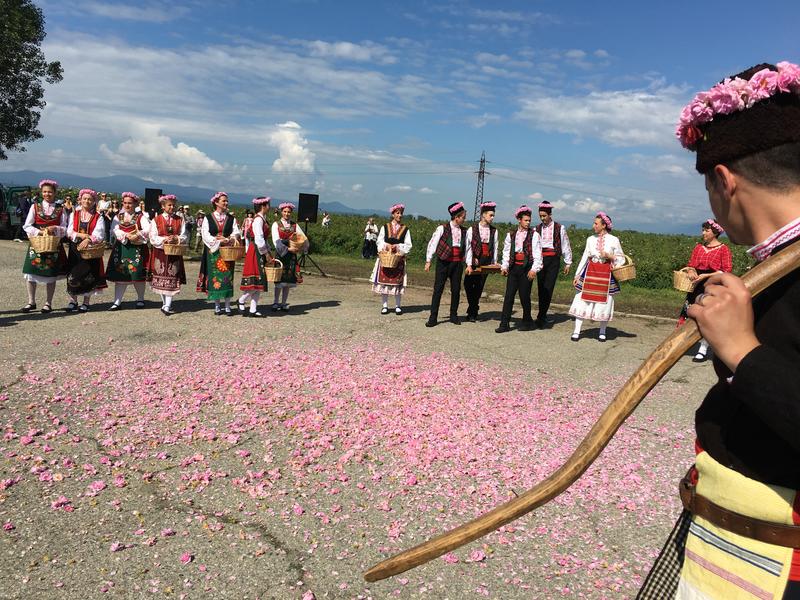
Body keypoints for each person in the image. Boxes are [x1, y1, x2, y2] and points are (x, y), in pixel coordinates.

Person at [637, 61, 800, 600]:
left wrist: (742, 351)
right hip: (732, 546)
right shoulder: (773, 267)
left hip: (781, 568)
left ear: (724, 181)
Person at [676, 219, 733, 362]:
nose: (703, 233)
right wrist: (691, 271)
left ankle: (703, 348)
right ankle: (683, 342)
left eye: (706, 231)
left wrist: (706, 275)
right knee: (690, 311)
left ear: (715, 233)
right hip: (696, 285)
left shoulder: (723, 249)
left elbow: (726, 270)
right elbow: (691, 265)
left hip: (712, 285)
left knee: (707, 316)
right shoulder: (699, 247)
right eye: (703, 230)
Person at [568, 212, 624, 341]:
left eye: (596, 223)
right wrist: (577, 274)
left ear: (604, 225)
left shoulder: (614, 240)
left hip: (606, 273)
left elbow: (621, 258)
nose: (593, 226)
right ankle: (577, 331)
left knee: (605, 302)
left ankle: (602, 332)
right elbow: (584, 257)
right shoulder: (590, 239)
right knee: (581, 300)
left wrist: (609, 256)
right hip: (590, 272)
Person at [21, 179, 68, 313]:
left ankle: (48, 303)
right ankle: (31, 302)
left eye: (50, 192)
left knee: (50, 274)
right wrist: (39, 232)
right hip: (37, 243)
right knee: (31, 273)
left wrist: (55, 228)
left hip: (52, 244)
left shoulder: (60, 209)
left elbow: (65, 228)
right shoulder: (35, 207)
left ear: (55, 193)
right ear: (41, 192)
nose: (47, 194)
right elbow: (27, 225)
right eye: (45, 192)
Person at [496, 205, 543, 333]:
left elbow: (538, 254)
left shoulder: (534, 235)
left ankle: (527, 321)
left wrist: (534, 269)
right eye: (525, 220)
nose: (528, 223)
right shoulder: (511, 235)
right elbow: (507, 252)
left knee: (524, 296)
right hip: (514, 268)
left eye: (529, 220)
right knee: (509, 296)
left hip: (526, 268)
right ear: (519, 220)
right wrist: (505, 266)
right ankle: (504, 323)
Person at [424, 202, 468, 326]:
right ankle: (433, 317)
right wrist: (428, 260)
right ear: (456, 217)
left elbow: (467, 248)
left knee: (456, 290)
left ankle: (453, 315)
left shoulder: (464, 231)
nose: (464, 220)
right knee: (438, 289)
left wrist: (468, 263)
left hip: (457, 264)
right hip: (443, 263)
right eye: (463, 217)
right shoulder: (442, 228)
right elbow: (433, 243)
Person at [198, 192, 242, 315]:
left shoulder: (231, 218)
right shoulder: (208, 218)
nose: (226, 203)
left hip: (228, 252)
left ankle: (227, 306)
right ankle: (217, 306)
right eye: (224, 201)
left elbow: (236, 232)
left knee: (228, 278)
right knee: (215, 278)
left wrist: (228, 239)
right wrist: (217, 241)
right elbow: (205, 234)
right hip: (214, 252)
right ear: (216, 202)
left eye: (227, 201)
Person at [65, 189, 107, 312]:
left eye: (90, 199)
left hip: (90, 250)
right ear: (80, 200)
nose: (87, 201)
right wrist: (81, 236)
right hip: (75, 249)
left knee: (88, 275)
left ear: (94, 201)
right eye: (85, 199)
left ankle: (86, 302)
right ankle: (73, 301)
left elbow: (99, 234)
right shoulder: (74, 214)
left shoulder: (98, 217)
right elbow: (69, 231)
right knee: (73, 274)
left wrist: (88, 240)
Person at [106, 192, 150, 310]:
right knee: (121, 273)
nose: (127, 205)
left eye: (130, 203)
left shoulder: (140, 216)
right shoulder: (118, 216)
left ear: (135, 204)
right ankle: (117, 302)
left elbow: (148, 229)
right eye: (125, 203)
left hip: (136, 248)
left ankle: (140, 299)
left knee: (137, 274)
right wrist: (125, 235)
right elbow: (113, 229)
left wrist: (137, 235)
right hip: (121, 248)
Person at [534, 200, 572, 328]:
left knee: (548, 287)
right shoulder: (536, 229)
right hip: (541, 259)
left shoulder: (559, 228)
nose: (542, 218)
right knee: (541, 287)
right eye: (540, 216)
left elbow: (565, 244)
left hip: (553, 260)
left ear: (550, 214)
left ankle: (541, 316)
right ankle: (542, 315)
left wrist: (568, 262)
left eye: (544, 216)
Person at [148, 194, 187, 316]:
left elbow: (184, 235)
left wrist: (176, 238)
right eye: (169, 205)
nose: (172, 207)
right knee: (161, 278)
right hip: (160, 252)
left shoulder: (180, 219)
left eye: (173, 205)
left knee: (172, 276)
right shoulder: (156, 220)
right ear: (163, 206)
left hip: (174, 252)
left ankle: (167, 305)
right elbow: (152, 236)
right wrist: (164, 239)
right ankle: (165, 303)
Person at [370, 203, 412, 314]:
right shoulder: (385, 227)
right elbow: (379, 241)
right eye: (397, 213)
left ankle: (398, 306)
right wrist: (386, 245)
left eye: (401, 213)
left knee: (397, 282)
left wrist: (397, 246)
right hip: (386, 258)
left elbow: (408, 244)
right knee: (384, 282)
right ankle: (385, 306)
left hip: (397, 259)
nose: (400, 215)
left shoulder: (405, 229)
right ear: (393, 214)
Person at [464, 201, 500, 322]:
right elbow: (468, 247)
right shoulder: (472, 229)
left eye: (493, 215)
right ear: (483, 215)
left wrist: (494, 262)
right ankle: (473, 307)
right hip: (474, 259)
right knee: (468, 284)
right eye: (491, 215)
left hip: (486, 260)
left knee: (479, 286)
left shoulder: (494, 231)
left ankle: (472, 312)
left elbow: (495, 246)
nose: (492, 217)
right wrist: (469, 262)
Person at [238, 197, 272, 317]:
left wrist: (268, 250)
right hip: (256, 251)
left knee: (259, 283)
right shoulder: (258, 220)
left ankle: (253, 309)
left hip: (259, 250)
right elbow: (259, 238)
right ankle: (241, 300)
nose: (269, 207)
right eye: (268, 205)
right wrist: (266, 253)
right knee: (255, 281)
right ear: (263, 206)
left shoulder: (262, 218)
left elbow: (264, 239)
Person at [271, 202, 308, 311]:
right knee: (279, 280)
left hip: (291, 255)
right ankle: (275, 302)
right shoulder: (276, 224)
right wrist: (288, 248)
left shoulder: (294, 225)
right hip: (281, 254)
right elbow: (276, 241)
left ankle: (283, 303)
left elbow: (303, 237)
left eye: (289, 212)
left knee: (288, 281)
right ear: (281, 212)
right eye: (285, 211)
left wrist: (302, 247)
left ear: (291, 213)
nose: (286, 214)